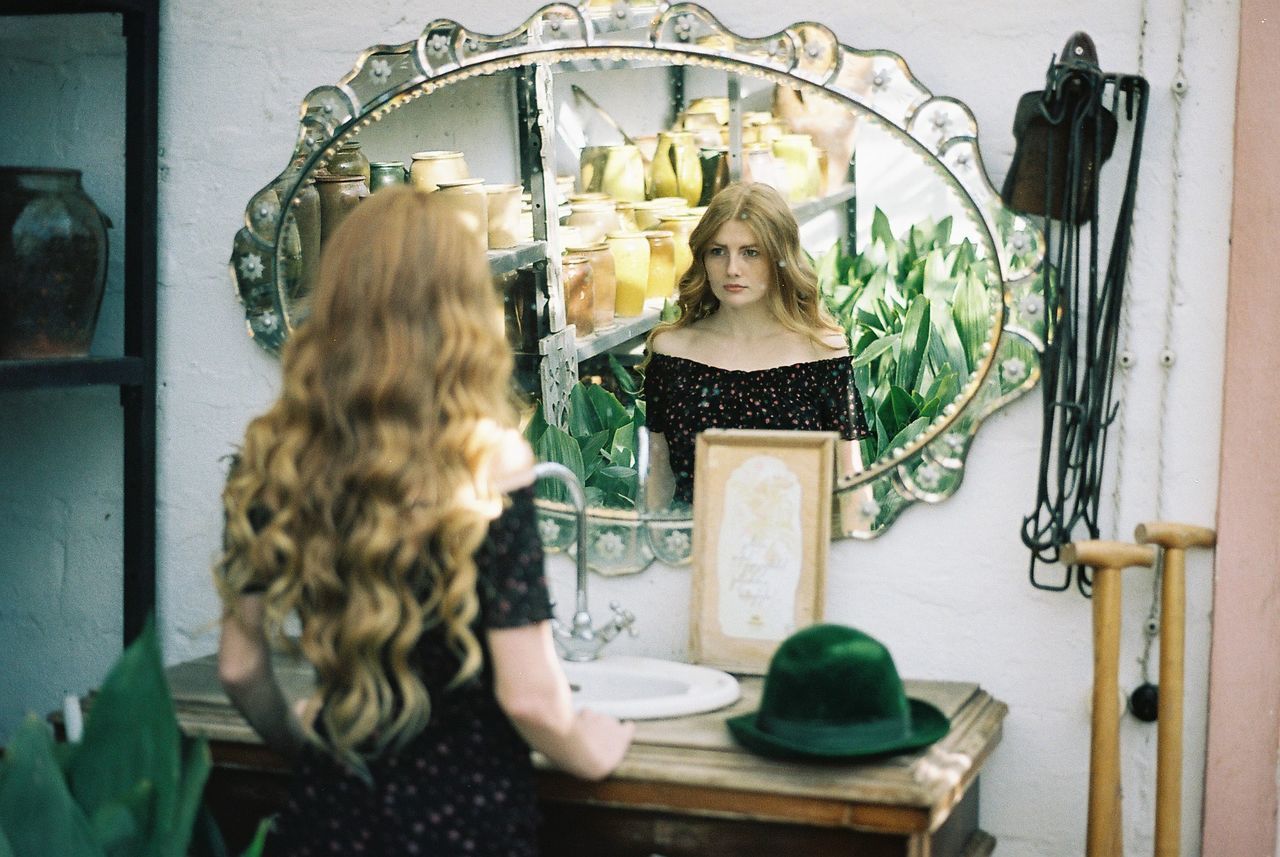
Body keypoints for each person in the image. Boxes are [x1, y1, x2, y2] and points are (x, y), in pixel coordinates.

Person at [215, 187, 634, 856]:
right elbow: (530, 696)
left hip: (327, 823)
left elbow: (239, 668)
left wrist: (308, 747)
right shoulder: (486, 462)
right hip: (463, 827)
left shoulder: (280, 454)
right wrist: (592, 745)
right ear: (465, 308)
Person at [644, 182, 871, 507]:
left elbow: (850, 479)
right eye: (718, 251)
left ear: (779, 258)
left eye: (751, 252)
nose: (732, 269)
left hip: (796, 550)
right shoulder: (670, 352)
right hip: (694, 550)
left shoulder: (823, 351)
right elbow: (659, 478)